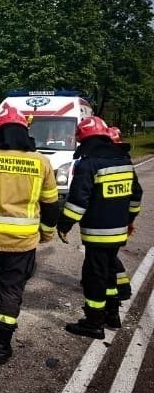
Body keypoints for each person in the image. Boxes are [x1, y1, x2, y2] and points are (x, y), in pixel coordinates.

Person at [0, 106, 58, 364]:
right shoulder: (42, 162)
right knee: (12, 290)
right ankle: (2, 346)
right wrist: (48, 233)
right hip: (23, 242)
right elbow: (50, 204)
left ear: (0, 131)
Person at [57, 117, 142, 339]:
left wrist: (64, 225)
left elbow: (77, 201)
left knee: (94, 277)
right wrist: (129, 219)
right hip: (118, 231)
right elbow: (136, 196)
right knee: (110, 272)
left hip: (97, 234)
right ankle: (112, 315)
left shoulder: (89, 164)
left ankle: (94, 323)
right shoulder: (123, 161)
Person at [107, 126, 133, 301]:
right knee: (109, 256)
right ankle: (122, 287)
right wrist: (130, 218)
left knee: (106, 259)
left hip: (106, 222)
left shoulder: (104, 163)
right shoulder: (126, 163)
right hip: (120, 220)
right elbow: (136, 195)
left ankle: (120, 291)